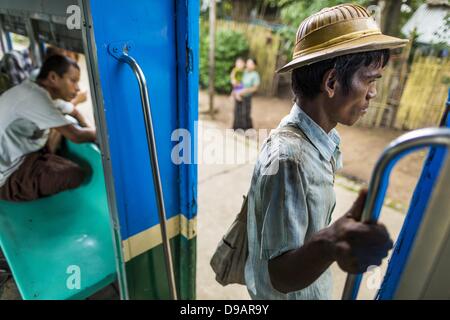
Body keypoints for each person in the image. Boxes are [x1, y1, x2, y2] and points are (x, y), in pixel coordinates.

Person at [244, 3, 408, 299]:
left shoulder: (322, 140)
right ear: (331, 82)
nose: (373, 92)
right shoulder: (289, 158)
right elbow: (279, 275)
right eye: (369, 79)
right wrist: (332, 242)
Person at [0, 54, 96, 202]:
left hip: (21, 154)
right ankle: (24, 188)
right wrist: (104, 134)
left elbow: (74, 111)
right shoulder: (34, 98)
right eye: (73, 81)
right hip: (7, 176)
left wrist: (89, 127)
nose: (77, 88)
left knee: (62, 122)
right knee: (75, 174)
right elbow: (76, 135)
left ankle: (43, 168)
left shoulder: (37, 90)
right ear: (53, 77)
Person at [232, 58, 260, 131]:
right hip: (238, 95)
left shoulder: (255, 75)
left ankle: (246, 130)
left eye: (251, 63)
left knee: (245, 113)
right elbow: (235, 78)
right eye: (248, 63)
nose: (248, 65)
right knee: (237, 112)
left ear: (255, 66)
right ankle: (236, 129)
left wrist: (245, 91)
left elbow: (255, 88)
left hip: (247, 97)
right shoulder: (242, 72)